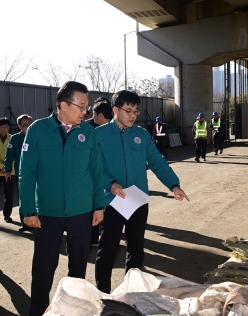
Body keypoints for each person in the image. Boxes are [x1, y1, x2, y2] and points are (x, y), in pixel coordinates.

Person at [19, 81, 105, 316]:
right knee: (44, 268)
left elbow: (97, 171)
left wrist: (99, 205)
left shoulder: (87, 131)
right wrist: (28, 210)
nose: (86, 111)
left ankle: (73, 310)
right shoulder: (38, 130)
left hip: (81, 211)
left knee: (78, 267)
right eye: (82, 106)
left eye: (87, 106)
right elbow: (27, 173)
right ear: (64, 105)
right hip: (48, 212)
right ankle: (37, 311)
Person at [94, 90, 189, 294]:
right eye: (128, 110)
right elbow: (93, 168)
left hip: (137, 199)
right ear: (115, 110)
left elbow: (157, 161)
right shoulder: (98, 135)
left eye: (135, 111)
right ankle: (103, 294)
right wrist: (109, 184)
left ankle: (133, 292)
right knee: (107, 249)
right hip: (112, 200)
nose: (132, 115)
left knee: (135, 249)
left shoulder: (141, 134)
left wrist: (173, 184)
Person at [86, 97, 113, 246]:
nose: (92, 116)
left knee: (102, 205)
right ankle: (95, 237)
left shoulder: (92, 129)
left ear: (100, 115)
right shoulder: (88, 126)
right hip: (99, 175)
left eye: (94, 113)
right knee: (98, 205)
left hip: (104, 176)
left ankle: (103, 236)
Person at [4, 114, 33, 231]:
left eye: (30, 124)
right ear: (19, 126)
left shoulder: (37, 136)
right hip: (22, 174)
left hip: (38, 172)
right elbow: (9, 156)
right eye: (24, 125)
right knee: (24, 197)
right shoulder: (15, 139)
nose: (27, 127)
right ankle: (25, 222)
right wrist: (7, 170)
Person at [0, 118, 14, 223]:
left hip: (9, 172)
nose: (4, 129)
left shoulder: (12, 139)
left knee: (8, 194)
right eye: (1, 127)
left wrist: (7, 168)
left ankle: (7, 215)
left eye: (6, 127)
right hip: (1, 169)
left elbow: (15, 156)